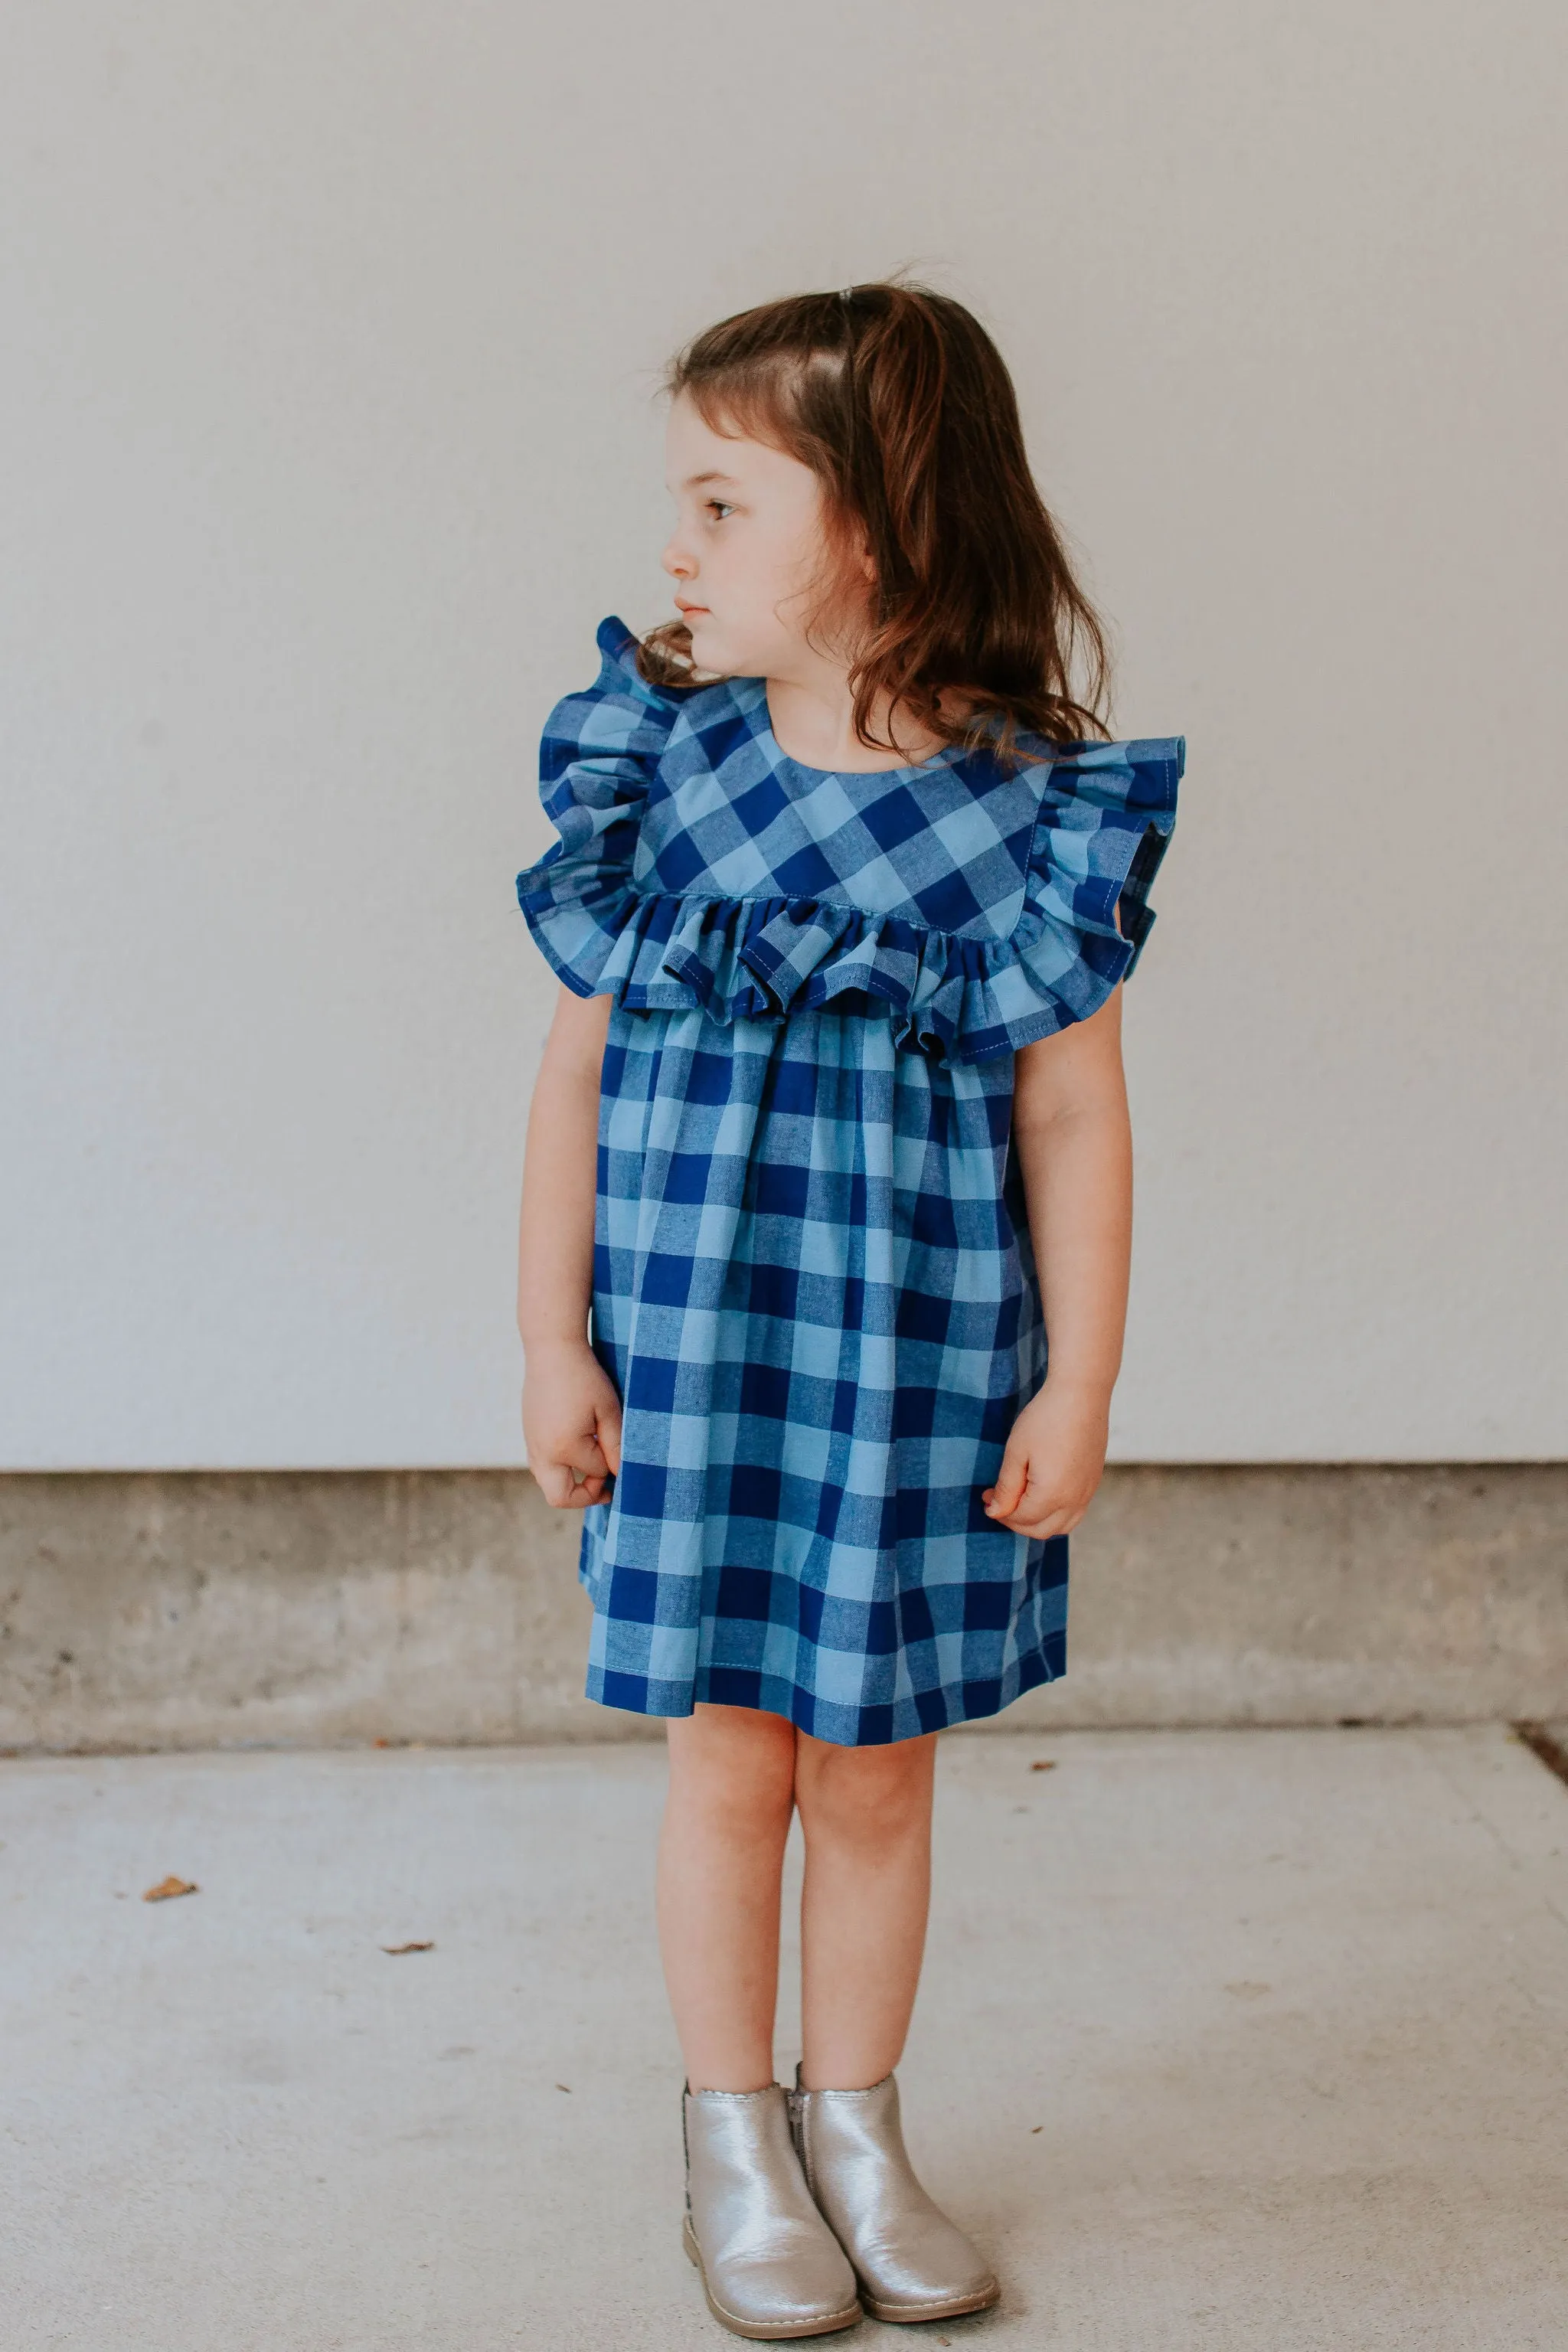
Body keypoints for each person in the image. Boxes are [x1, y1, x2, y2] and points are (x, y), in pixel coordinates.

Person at [514, 282, 1182, 2340]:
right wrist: (554, 1339)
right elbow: (576, 1074)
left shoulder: (1022, 816)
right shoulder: (667, 778)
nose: (676, 553)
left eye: (721, 506)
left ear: (879, 525)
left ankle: (861, 2125)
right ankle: (732, 2134)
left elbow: (1074, 1112)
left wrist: (1081, 1378)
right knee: (732, 1753)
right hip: (706, 1368)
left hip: (908, 1377)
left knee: (875, 1766)